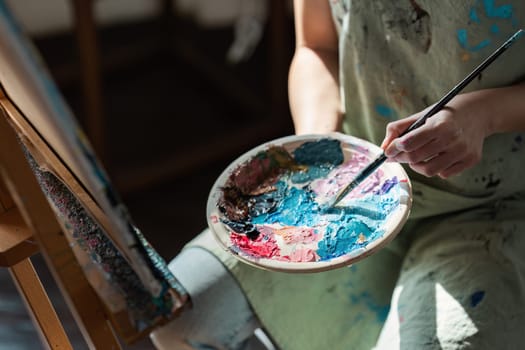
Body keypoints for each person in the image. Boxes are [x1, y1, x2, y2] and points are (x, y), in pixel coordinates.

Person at [151, 1, 525, 349]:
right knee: (178, 320)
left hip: (491, 205)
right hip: (357, 182)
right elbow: (316, 46)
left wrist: (485, 114)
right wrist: (318, 150)